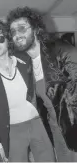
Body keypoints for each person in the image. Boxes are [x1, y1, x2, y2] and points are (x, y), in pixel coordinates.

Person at [0, 19, 55, 162]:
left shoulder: (26, 61)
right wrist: (0, 141)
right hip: (12, 130)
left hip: (38, 124)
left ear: (7, 39)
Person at [6, 6, 77, 161]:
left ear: (37, 30)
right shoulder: (28, 63)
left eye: (22, 28)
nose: (17, 34)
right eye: (13, 31)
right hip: (55, 130)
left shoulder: (62, 51)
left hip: (73, 128)